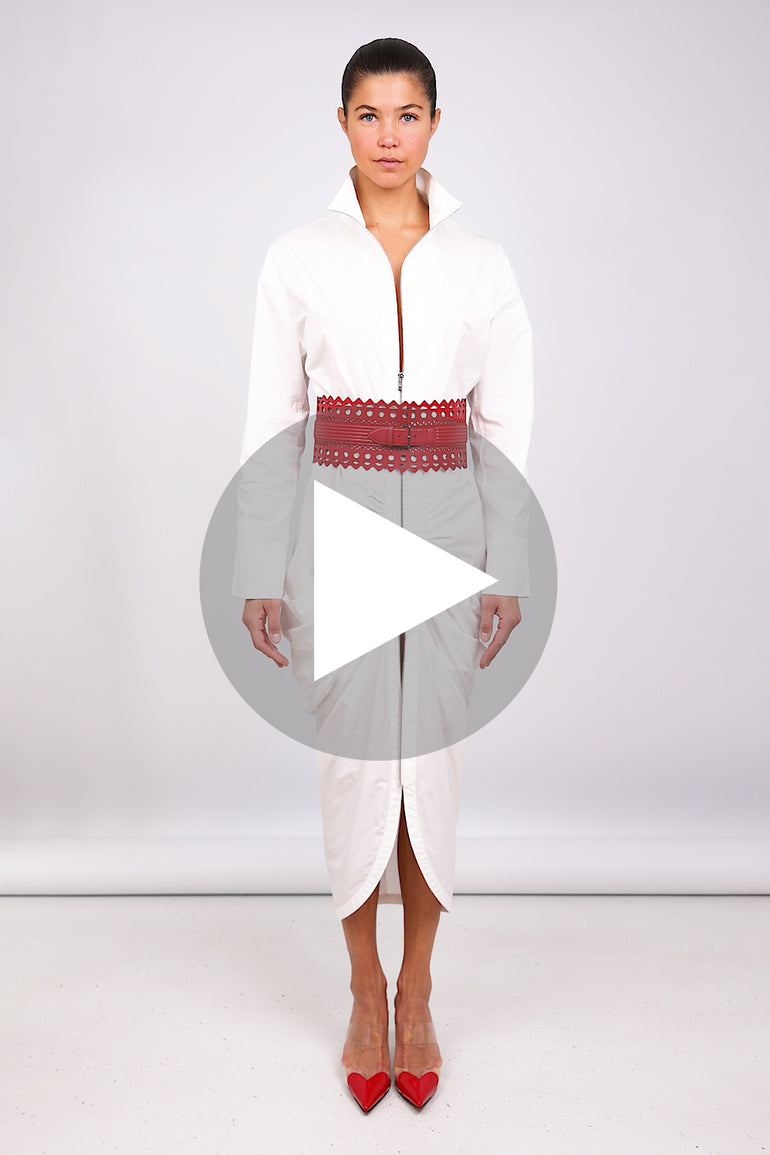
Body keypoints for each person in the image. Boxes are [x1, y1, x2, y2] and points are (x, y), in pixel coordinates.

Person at [232, 37, 533, 1112]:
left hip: (447, 530)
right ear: (343, 124)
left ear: (434, 123)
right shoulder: (298, 257)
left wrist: (506, 565)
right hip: (341, 530)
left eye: (408, 115)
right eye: (369, 114)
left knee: (431, 769)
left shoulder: (482, 263)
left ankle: (420, 990)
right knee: (356, 768)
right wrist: (259, 565)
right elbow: (272, 419)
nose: (389, 135)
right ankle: (364, 988)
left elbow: (503, 427)